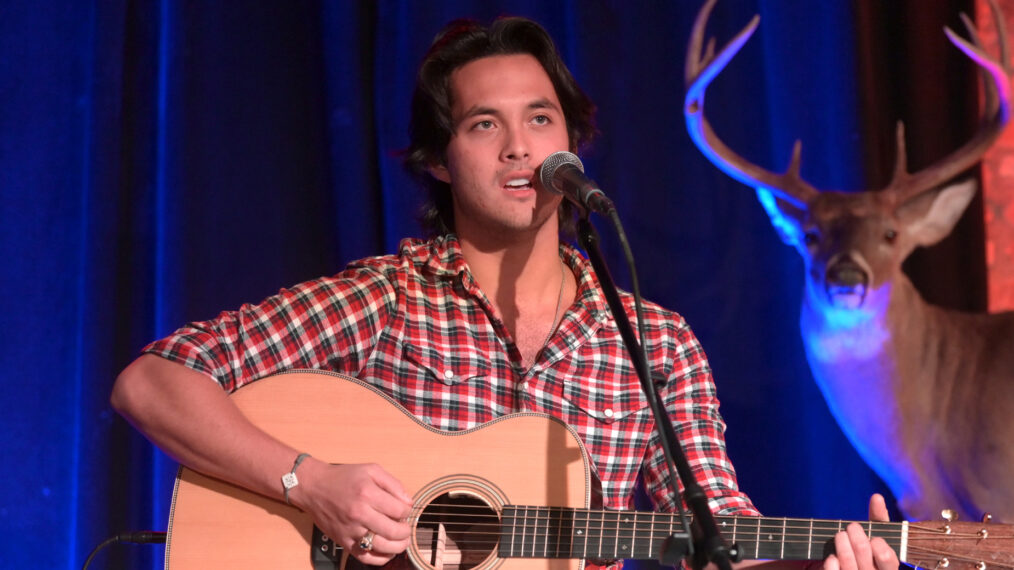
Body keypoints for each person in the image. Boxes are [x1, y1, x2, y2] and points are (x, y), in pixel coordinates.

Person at [111, 16, 898, 570]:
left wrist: (825, 563)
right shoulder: (387, 299)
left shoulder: (653, 342)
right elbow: (152, 382)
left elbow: (717, 531)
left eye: (541, 119)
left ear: (573, 146)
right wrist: (311, 483)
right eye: (485, 124)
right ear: (442, 160)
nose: (521, 146)